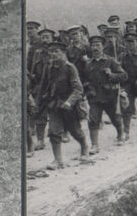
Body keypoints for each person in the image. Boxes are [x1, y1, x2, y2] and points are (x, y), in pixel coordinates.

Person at [37, 41, 87, 169]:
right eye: (51, 52)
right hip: (54, 104)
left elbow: (78, 89)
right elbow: (43, 86)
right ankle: (58, 160)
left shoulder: (70, 68)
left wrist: (69, 102)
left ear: (63, 53)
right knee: (54, 132)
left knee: (75, 131)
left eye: (56, 51)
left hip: (69, 106)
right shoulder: (48, 68)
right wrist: (39, 104)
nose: (53, 54)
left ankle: (84, 147)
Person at [84, 35, 127, 153]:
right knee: (93, 120)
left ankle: (120, 135)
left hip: (109, 96)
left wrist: (112, 75)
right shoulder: (88, 64)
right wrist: (87, 88)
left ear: (103, 47)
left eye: (98, 45)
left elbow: (124, 76)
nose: (95, 48)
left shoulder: (110, 61)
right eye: (93, 45)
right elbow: (84, 79)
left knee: (115, 118)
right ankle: (94, 145)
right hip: (94, 97)